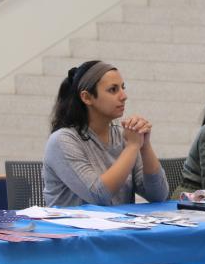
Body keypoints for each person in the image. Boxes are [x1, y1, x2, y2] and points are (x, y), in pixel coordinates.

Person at [43, 60, 169, 207]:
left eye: (123, 88)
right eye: (113, 90)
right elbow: (97, 195)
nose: (124, 96)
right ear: (87, 97)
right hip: (72, 229)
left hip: (119, 228)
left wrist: (144, 145)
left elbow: (159, 195)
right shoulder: (62, 140)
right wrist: (133, 147)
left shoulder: (122, 137)